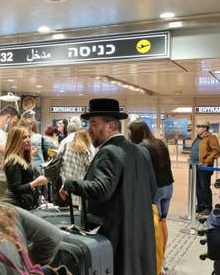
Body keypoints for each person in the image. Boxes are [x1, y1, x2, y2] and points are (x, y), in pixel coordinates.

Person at [59, 98, 157, 275]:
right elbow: (152, 190)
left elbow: (101, 189)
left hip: (117, 237)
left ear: (110, 126)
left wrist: (70, 183)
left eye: (94, 124)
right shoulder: (140, 151)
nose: (89, 129)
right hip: (140, 233)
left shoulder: (109, 151)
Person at [128, 121, 174, 267]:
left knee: (153, 226)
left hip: (154, 189)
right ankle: (163, 257)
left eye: (130, 132)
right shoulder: (160, 143)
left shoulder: (141, 147)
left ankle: (157, 260)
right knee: (163, 222)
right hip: (168, 186)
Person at [1, 127, 48, 210]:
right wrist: (37, 182)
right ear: (15, 141)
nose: (28, 140)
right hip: (16, 206)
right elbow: (17, 189)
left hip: (24, 204)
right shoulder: (13, 161)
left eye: (29, 136)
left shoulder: (24, 159)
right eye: (24, 137)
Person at [193, 121, 220, 215]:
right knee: (198, 187)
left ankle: (208, 207)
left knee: (204, 187)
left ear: (205, 128)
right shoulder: (198, 138)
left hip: (205, 167)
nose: (197, 128)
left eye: (199, 126)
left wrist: (207, 161)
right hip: (195, 165)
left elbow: (216, 151)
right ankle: (200, 205)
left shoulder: (211, 138)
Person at [60, 130, 93, 207]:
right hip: (77, 186)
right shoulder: (85, 151)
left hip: (64, 184)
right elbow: (89, 169)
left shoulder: (66, 146)